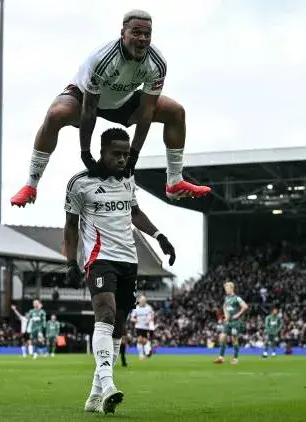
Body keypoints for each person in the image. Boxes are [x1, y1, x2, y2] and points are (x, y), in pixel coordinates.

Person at [11, 9, 211, 208]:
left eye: (147, 34)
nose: (142, 39)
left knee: (175, 111)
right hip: (84, 98)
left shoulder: (156, 63)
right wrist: (86, 154)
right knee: (56, 114)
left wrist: (134, 155)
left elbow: (146, 111)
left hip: (121, 101)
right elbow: (89, 110)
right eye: (136, 33)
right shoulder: (103, 59)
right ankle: (31, 184)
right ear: (123, 34)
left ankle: (174, 181)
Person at [63, 127, 176, 414]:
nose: (123, 159)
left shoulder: (128, 180)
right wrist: (70, 262)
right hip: (100, 259)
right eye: (116, 154)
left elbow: (135, 213)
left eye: (126, 154)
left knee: (119, 327)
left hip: (129, 260)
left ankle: (94, 395)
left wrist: (160, 235)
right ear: (101, 152)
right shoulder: (80, 183)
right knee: (106, 314)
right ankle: (109, 385)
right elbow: (70, 226)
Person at [214, 281, 248, 365]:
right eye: (225, 289)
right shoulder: (227, 298)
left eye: (227, 288)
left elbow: (245, 306)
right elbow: (224, 306)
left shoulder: (237, 298)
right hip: (228, 322)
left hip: (235, 322)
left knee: (234, 339)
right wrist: (226, 316)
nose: (226, 290)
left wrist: (238, 314)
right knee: (222, 337)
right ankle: (221, 357)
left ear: (231, 288)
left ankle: (235, 358)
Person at [131, 295, 155, 359]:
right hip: (138, 326)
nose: (143, 301)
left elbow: (152, 315)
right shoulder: (136, 308)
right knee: (139, 339)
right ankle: (141, 355)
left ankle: (148, 352)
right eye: (142, 300)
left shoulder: (149, 307)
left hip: (145, 327)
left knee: (144, 341)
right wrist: (135, 320)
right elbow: (132, 318)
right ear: (139, 301)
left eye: (144, 300)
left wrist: (149, 319)